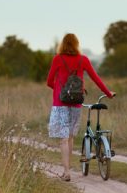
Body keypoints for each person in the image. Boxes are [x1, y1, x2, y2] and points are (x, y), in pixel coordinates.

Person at [47, 33, 115, 181]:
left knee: (63, 139)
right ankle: (69, 167)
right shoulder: (83, 60)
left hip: (60, 104)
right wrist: (108, 93)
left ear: (63, 44)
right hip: (76, 103)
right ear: (77, 44)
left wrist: (60, 91)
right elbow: (96, 78)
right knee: (70, 137)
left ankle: (66, 172)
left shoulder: (58, 59)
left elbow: (49, 81)